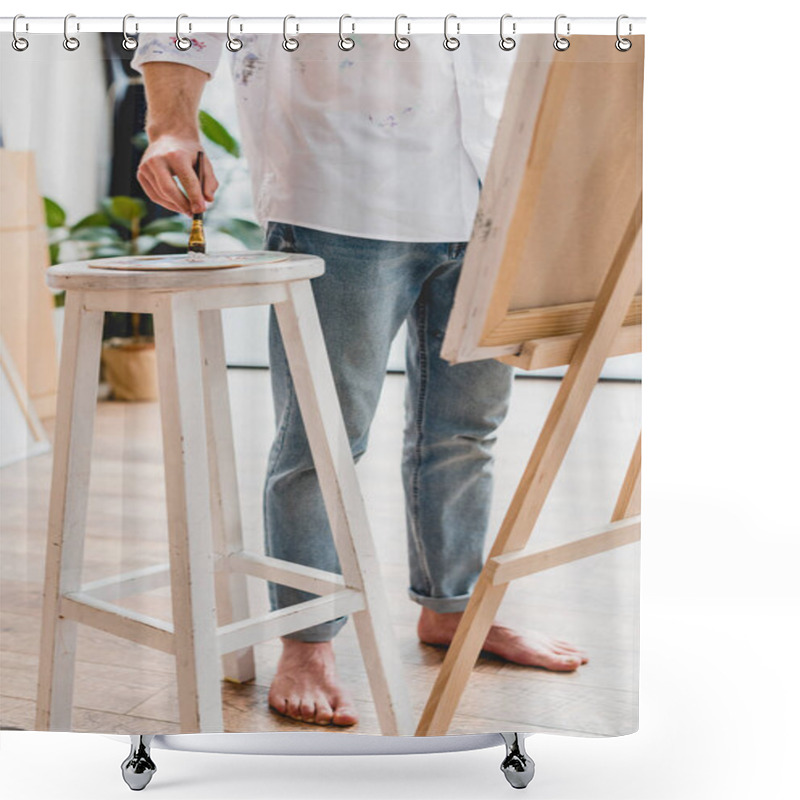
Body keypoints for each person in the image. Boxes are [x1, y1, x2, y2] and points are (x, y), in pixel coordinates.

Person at [131, 31, 587, 728]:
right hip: (339, 187)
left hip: (494, 185)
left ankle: (451, 607)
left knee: (468, 425)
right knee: (323, 437)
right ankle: (307, 641)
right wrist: (170, 123)